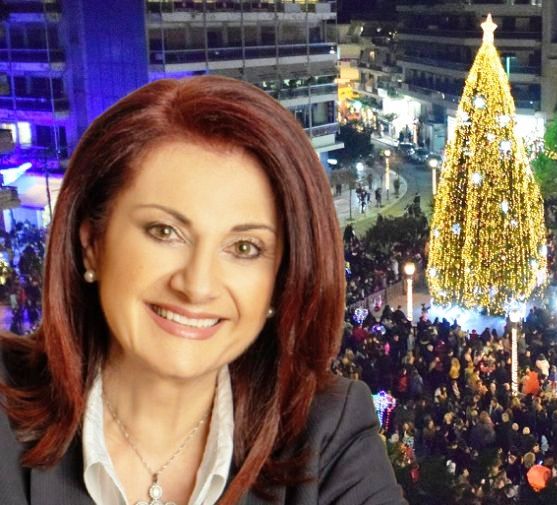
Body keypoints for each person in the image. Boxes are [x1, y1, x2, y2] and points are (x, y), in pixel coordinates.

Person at [0, 76, 405, 505]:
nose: (197, 286)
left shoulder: (328, 432)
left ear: (279, 282)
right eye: (164, 231)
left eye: (244, 248)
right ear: (93, 245)